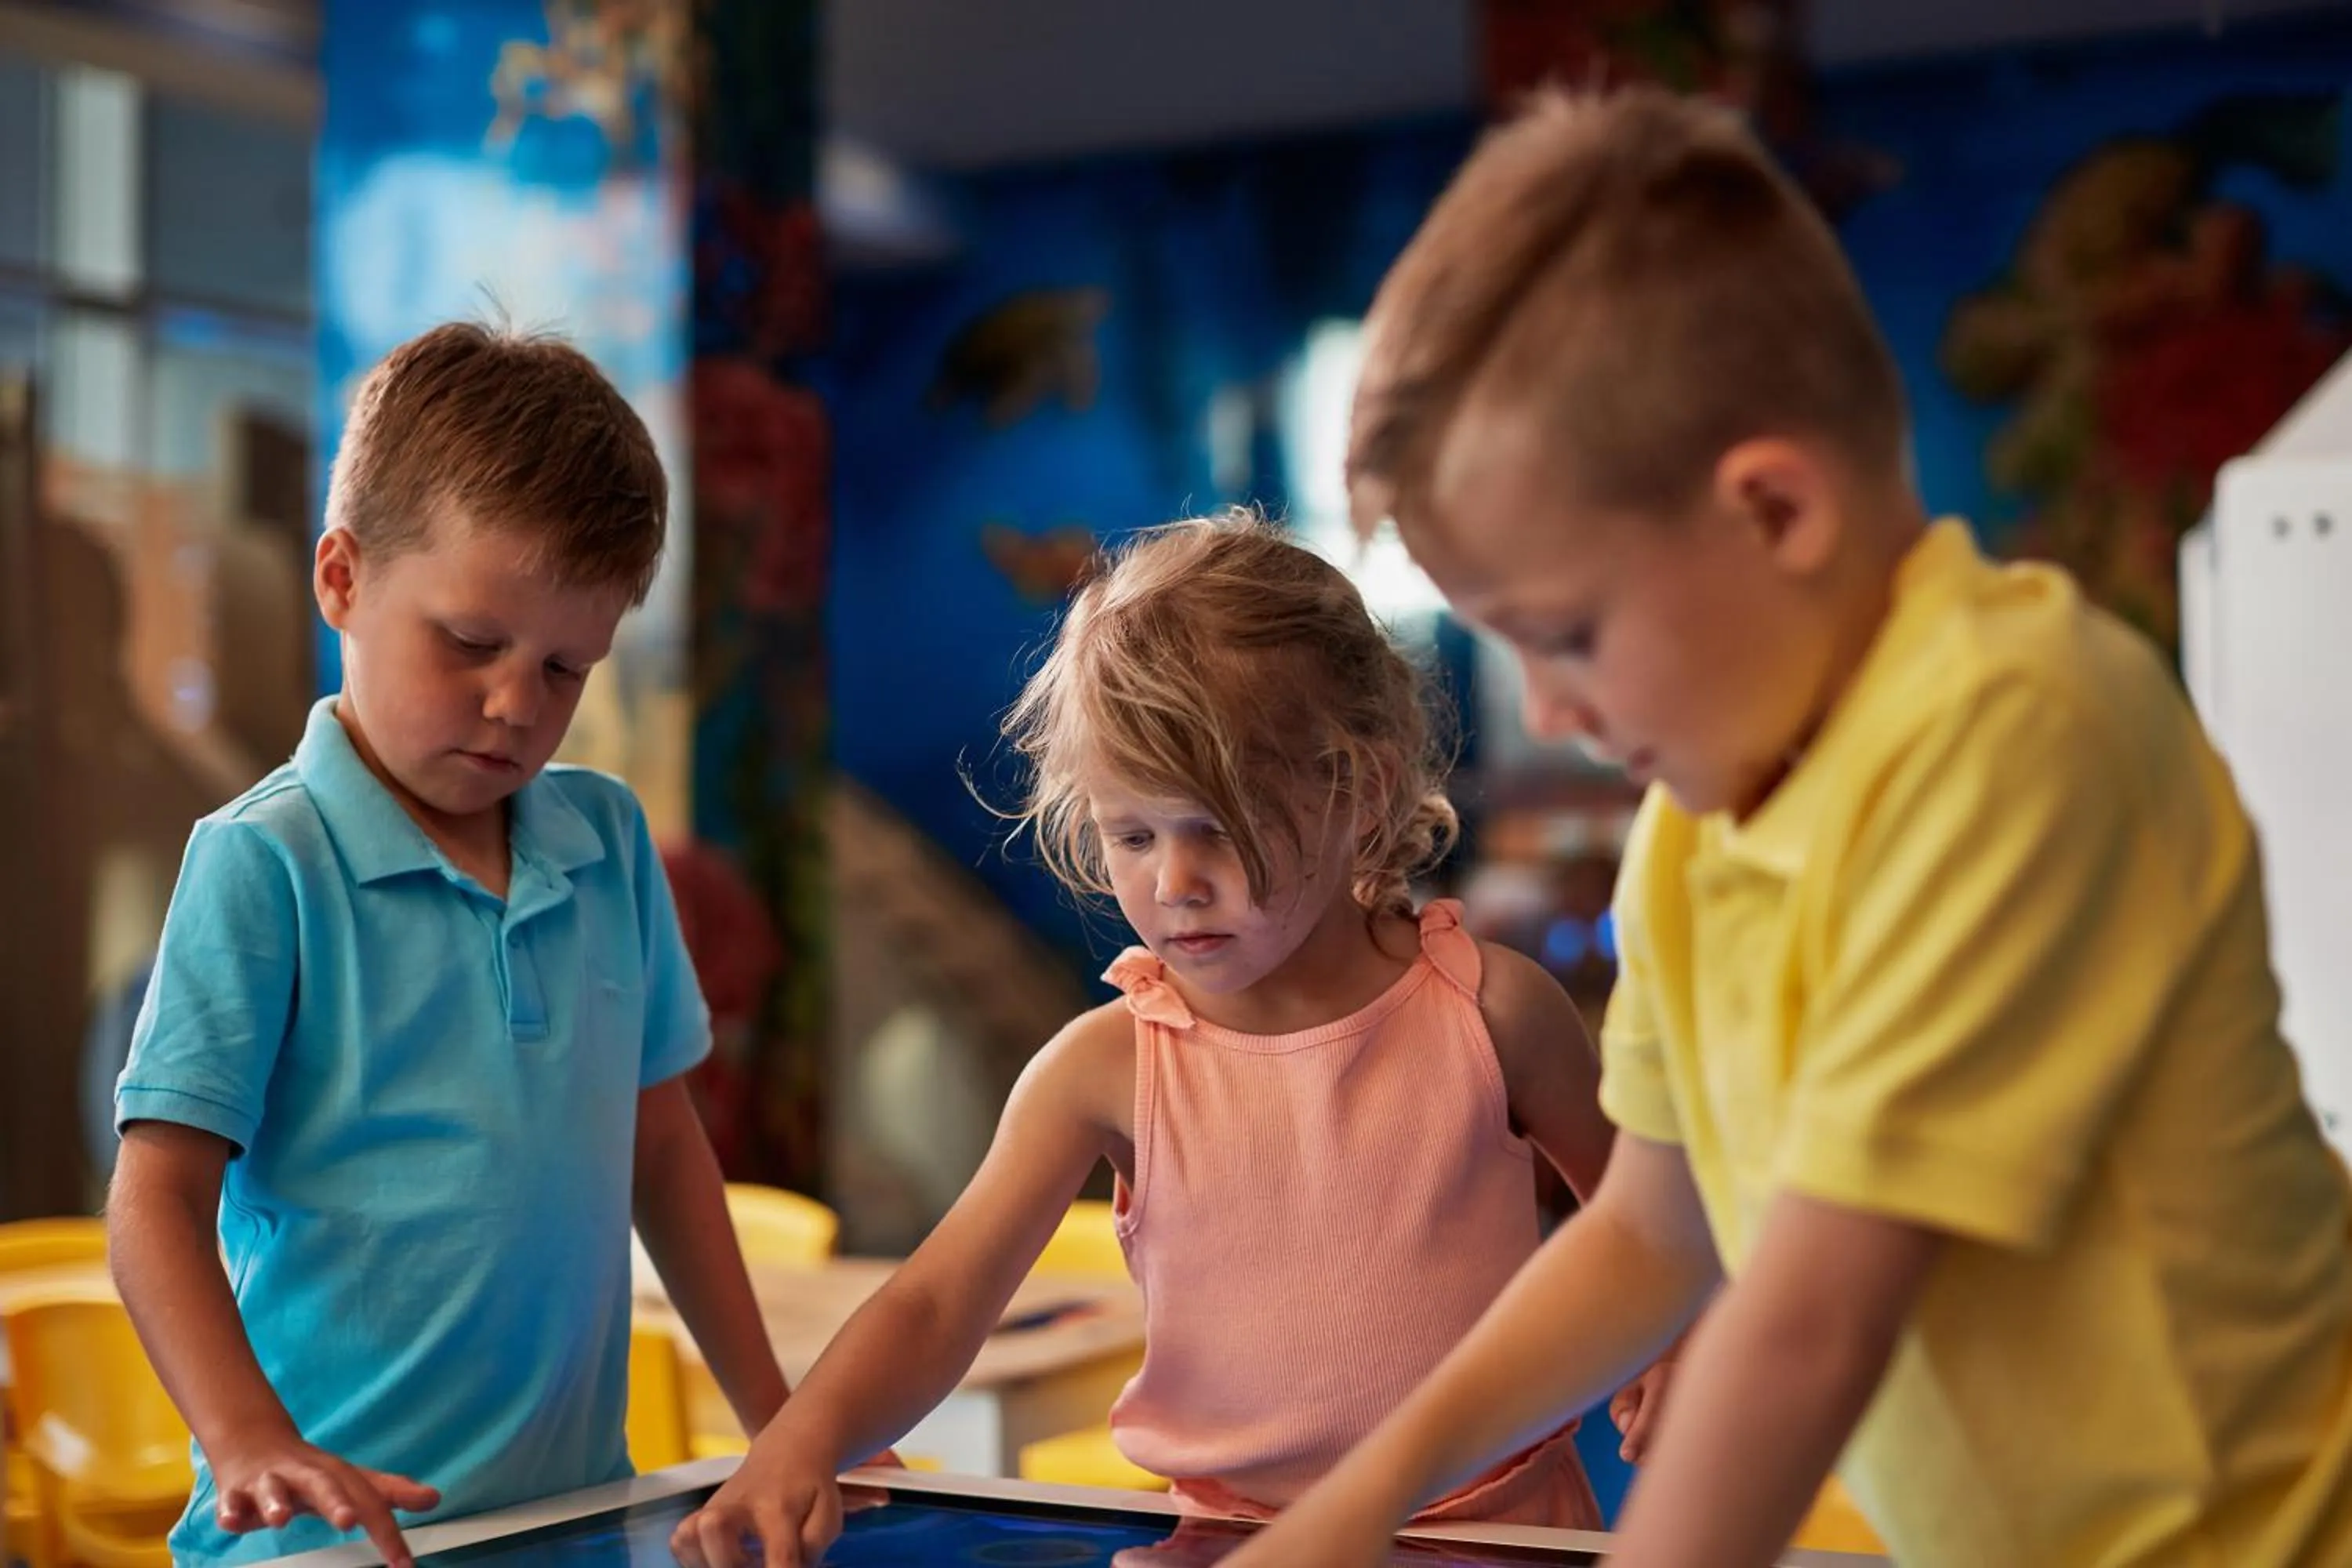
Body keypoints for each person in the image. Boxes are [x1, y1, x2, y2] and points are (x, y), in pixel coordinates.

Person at [1220, 85, 2352, 1568]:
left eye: (1566, 634)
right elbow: (1648, 1234)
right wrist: (1360, 1505)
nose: (1551, 714)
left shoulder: (2015, 724)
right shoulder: (1706, 817)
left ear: (1773, 512)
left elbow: (1811, 1321)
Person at [671, 511, 1643, 1568]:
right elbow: (938, 1299)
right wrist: (798, 1442)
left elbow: (1655, 1227)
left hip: (1497, 1541)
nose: (1175, 884)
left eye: (1219, 829)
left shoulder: (1492, 1012)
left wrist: (1671, 1348)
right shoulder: (1106, 1065)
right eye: (1132, 835)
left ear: (1356, 790)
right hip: (1225, 1544)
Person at [108, 322, 790, 1567]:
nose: (516, 703)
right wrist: (248, 1438)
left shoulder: (611, 842)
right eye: (471, 643)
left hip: (571, 1522)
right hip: (322, 1542)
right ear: (342, 580)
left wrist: (786, 1425)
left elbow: (664, 1148)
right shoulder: (265, 862)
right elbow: (154, 1201)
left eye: (566, 666)